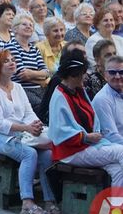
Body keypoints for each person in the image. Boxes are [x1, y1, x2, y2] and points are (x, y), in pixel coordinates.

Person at [0, 49, 58, 214]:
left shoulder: (19, 88)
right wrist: (26, 128)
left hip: (18, 134)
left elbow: (28, 113)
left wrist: (35, 124)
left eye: (13, 59)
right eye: (6, 61)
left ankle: (50, 200)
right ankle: (27, 202)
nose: (12, 62)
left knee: (47, 155)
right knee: (29, 154)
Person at [48, 49, 123, 187]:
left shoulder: (78, 91)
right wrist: (86, 137)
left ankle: (116, 207)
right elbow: (60, 132)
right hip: (71, 152)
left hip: (88, 146)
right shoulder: (59, 96)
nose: (86, 76)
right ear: (73, 75)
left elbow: (92, 120)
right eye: (83, 73)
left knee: (118, 170)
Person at [5, 13, 50, 115]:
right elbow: (21, 74)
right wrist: (40, 78)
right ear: (15, 29)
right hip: (21, 90)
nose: (28, 26)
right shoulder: (11, 47)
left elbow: (46, 72)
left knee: (53, 105)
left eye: (31, 25)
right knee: (43, 109)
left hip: (40, 90)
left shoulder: (34, 49)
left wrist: (31, 73)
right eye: (24, 24)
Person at [93, 55, 123, 144]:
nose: (117, 76)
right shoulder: (102, 100)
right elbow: (111, 137)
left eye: (121, 72)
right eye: (112, 72)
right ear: (105, 75)